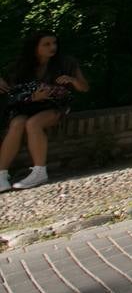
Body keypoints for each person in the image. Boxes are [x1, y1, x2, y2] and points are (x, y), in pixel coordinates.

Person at [0, 32, 89, 191]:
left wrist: (72, 80)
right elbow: (10, 88)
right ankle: (1, 174)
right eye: (46, 44)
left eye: (54, 43)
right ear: (35, 47)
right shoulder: (21, 66)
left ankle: (39, 171)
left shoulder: (66, 63)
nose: (52, 47)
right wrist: (32, 97)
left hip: (54, 105)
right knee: (17, 124)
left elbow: (84, 87)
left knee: (33, 123)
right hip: (26, 105)